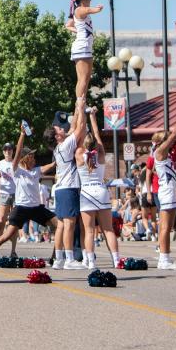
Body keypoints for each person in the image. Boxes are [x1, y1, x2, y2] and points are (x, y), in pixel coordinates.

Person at [0, 123, 58, 262]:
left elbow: (52, 165)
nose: (35, 158)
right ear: (26, 158)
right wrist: (22, 134)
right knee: (7, 235)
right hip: (21, 208)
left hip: (36, 208)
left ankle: (55, 257)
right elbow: (18, 152)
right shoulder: (17, 171)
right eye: (32, 156)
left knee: (60, 225)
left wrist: (59, 150)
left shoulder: (36, 170)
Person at [43, 102, 87, 270]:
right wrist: (81, 109)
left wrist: (77, 108)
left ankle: (59, 258)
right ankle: (69, 259)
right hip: (69, 188)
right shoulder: (66, 145)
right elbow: (81, 127)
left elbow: (73, 126)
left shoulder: (58, 148)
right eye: (59, 130)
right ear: (57, 137)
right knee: (69, 224)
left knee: (61, 225)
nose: (62, 129)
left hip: (60, 188)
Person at [76, 109, 120, 269]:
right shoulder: (100, 153)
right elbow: (97, 135)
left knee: (88, 231)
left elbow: (78, 135)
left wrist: (81, 114)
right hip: (101, 191)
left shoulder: (79, 154)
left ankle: (91, 262)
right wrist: (93, 117)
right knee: (108, 229)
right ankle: (116, 260)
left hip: (86, 192)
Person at [152, 108, 176, 270]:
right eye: (168, 139)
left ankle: (165, 257)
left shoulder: (166, 155)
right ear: (163, 141)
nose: (172, 141)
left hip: (169, 191)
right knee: (165, 227)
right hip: (166, 192)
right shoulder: (160, 151)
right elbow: (175, 134)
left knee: (167, 227)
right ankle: (164, 259)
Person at [65, 0, 103, 103]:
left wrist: (79, 30)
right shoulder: (80, 10)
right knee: (83, 79)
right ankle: (79, 103)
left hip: (83, 47)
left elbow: (68, 25)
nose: (90, 0)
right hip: (83, 47)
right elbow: (88, 9)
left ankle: (81, 101)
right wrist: (98, 8)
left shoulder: (78, 11)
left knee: (83, 79)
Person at [0, 143, 17, 252]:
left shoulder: (17, 163)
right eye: (5, 149)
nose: (8, 151)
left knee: (14, 223)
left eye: (10, 149)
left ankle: (13, 251)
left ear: (13, 151)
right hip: (4, 193)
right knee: (1, 221)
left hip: (16, 194)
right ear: (3, 152)